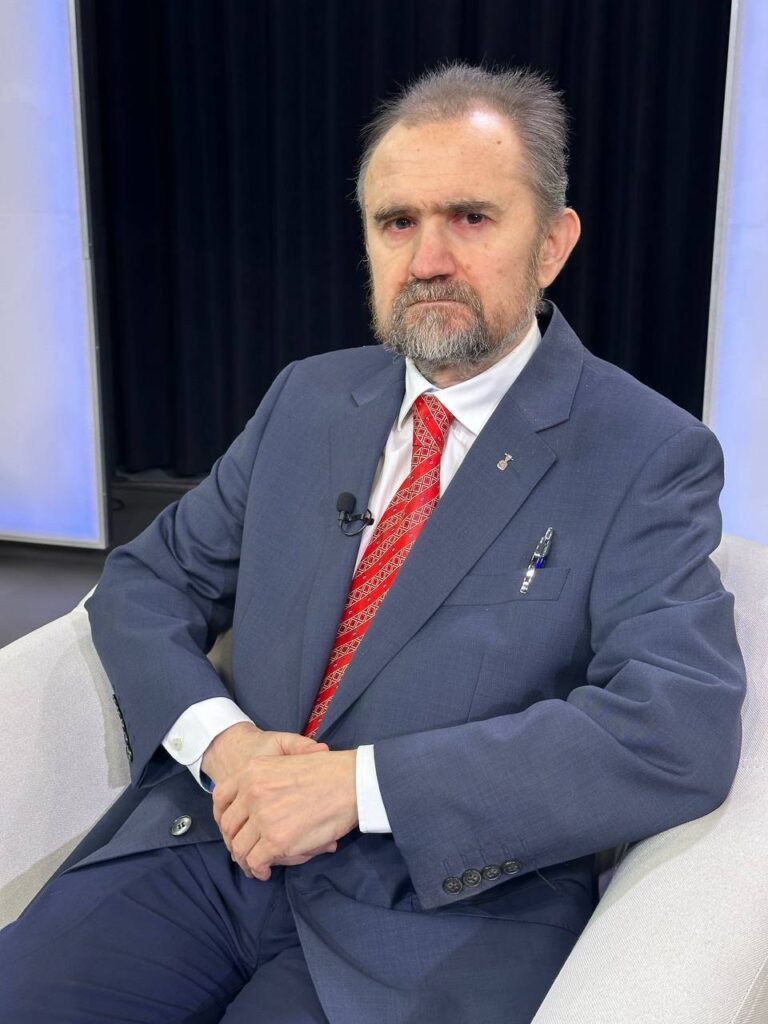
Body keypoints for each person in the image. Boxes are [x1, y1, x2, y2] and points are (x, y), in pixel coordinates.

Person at [0, 63, 746, 1023]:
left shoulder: (645, 451)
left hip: (435, 913)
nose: (428, 258)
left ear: (553, 244)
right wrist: (227, 746)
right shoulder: (308, 399)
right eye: (397, 222)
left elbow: (674, 728)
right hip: (214, 839)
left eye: (470, 218)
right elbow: (148, 582)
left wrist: (358, 787)